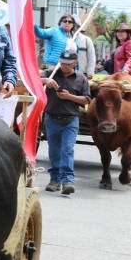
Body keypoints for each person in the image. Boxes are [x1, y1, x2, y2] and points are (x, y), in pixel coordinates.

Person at [39, 50, 91, 196]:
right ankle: (54, 180)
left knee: (67, 149)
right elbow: (32, 79)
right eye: (62, 63)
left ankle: (68, 181)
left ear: (75, 63)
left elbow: (87, 100)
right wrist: (46, 81)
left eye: (68, 64)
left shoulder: (81, 78)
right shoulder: (51, 72)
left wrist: (69, 97)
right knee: (54, 151)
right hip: (51, 118)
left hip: (71, 119)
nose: (64, 66)